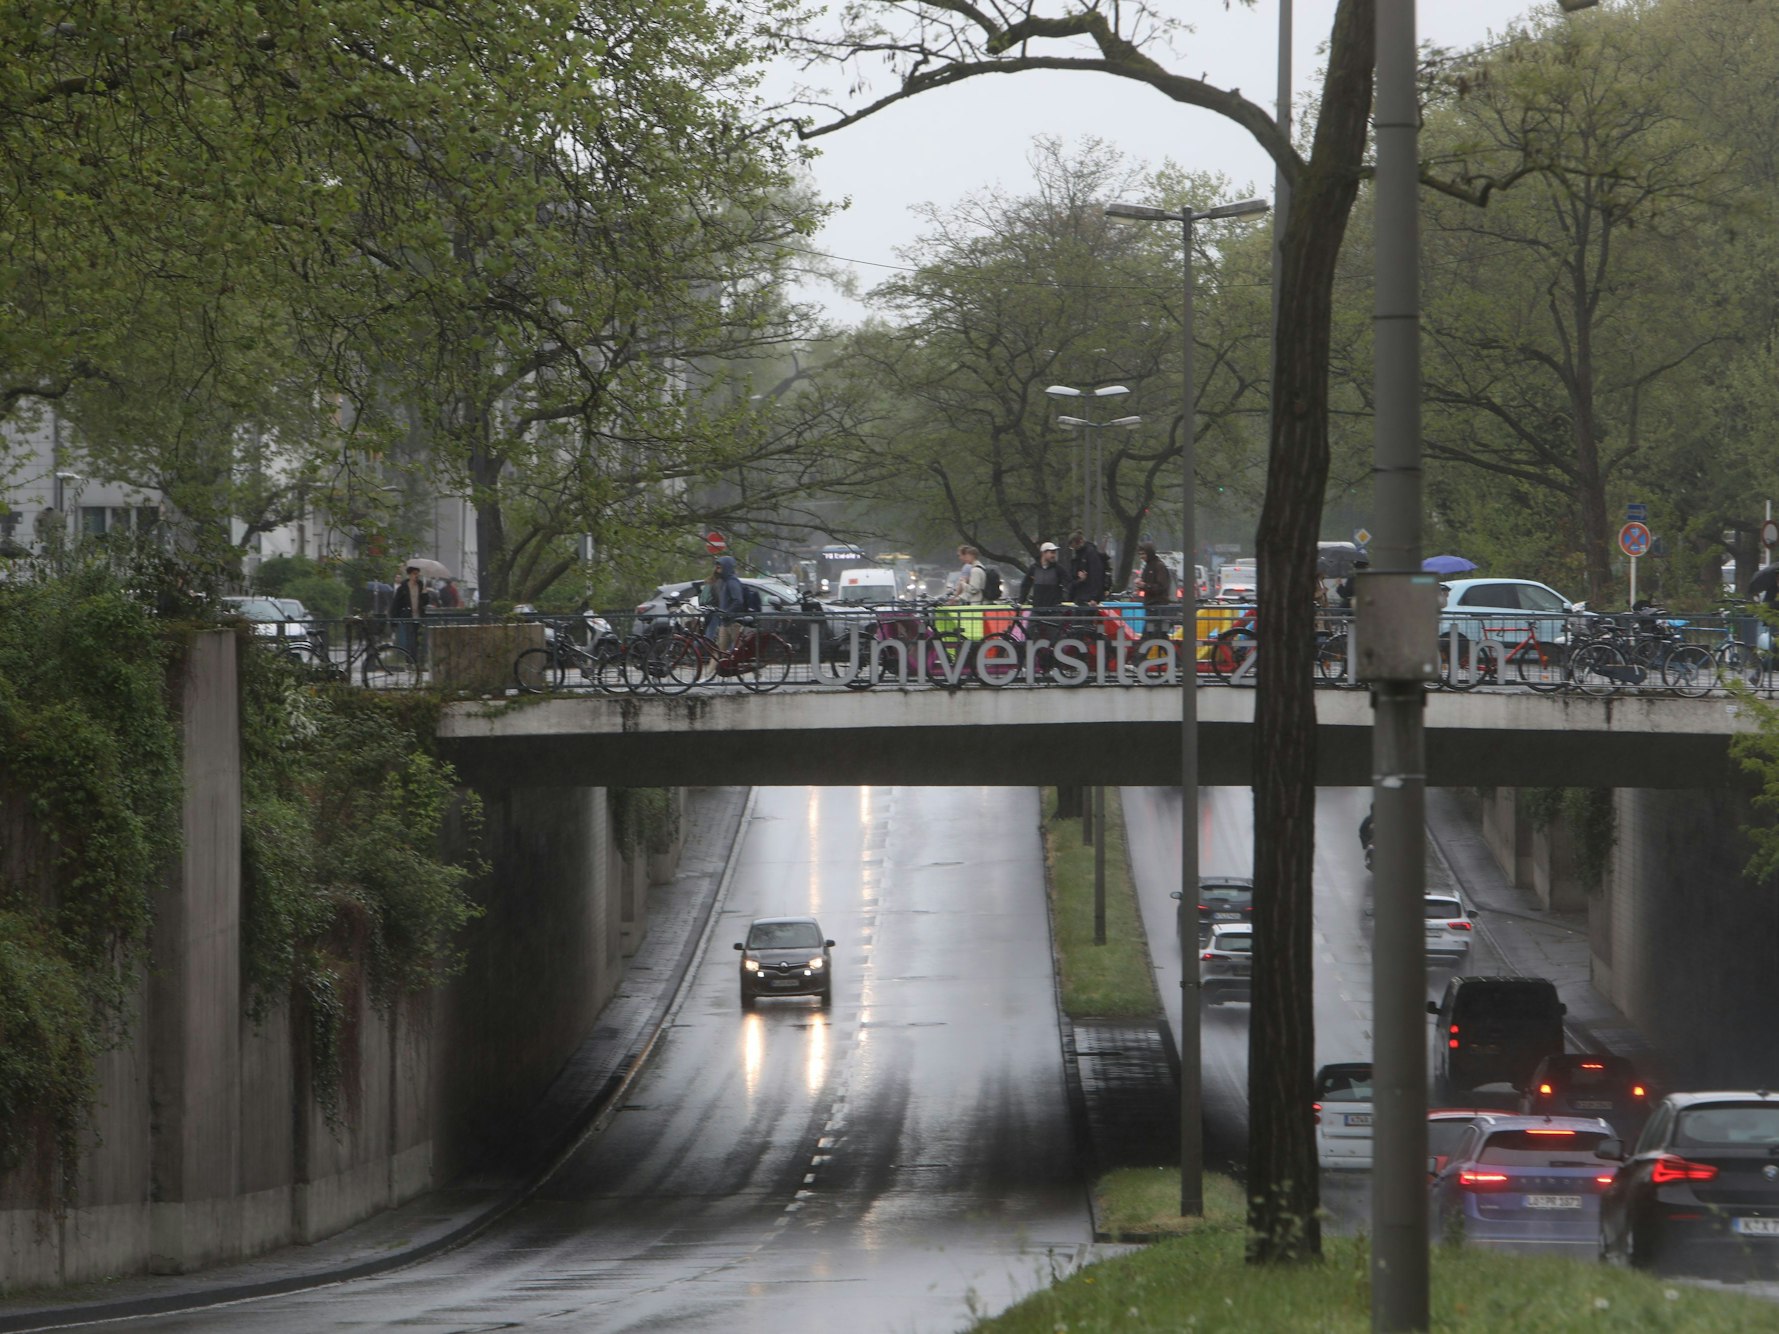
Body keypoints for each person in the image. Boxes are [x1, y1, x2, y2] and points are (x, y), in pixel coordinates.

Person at [1018, 541, 1071, 674]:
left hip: (1053, 610)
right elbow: (1025, 585)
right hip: (1037, 609)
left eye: (1055, 552)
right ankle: (1027, 666)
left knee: (1056, 640)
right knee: (1029, 636)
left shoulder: (1058, 569)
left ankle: (1055, 666)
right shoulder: (1033, 569)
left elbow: (1069, 583)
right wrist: (1021, 602)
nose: (1054, 555)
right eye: (1051, 552)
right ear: (1044, 553)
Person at [388, 564, 434, 657]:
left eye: (418, 574)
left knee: (416, 638)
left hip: (418, 616)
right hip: (407, 616)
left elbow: (425, 602)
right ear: (409, 575)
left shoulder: (420, 586)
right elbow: (396, 603)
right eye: (414, 573)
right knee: (410, 638)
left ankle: (415, 659)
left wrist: (425, 592)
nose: (416, 575)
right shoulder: (403, 588)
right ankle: (409, 659)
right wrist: (393, 619)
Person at [707, 554, 747, 654]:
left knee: (737, 651)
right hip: (726, 622)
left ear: (727, 567)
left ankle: (732, 668)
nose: (717, 569)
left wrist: (727, 613)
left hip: (733, 623)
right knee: (720, 651)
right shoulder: (724, 582)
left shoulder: (732, 582)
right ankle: (715, 669)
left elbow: (738, 601)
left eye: (719, 566)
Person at [1137, 541, 1171, 638]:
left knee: (1146, 636)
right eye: (1140, 554)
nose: (1141, 556)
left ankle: (1139, 653)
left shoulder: (1158, 566)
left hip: (1157, 606)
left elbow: (1161, 586)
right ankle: (1174, 653)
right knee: (1161, 636)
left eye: (1143, 554)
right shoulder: (1148, 566)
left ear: (1149, 553)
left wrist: (1144, 586)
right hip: (1153, 606)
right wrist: (1141, 585)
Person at [1067, 529, 1108, 606]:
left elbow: (1096, 576)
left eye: (1074, 547)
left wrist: (1094, 597)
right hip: (1081, 595)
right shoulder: (1079, 555)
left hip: (1088, 597)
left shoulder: (1090, 554)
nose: (1074, 549)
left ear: (1079, 542)